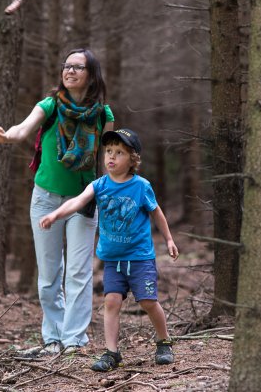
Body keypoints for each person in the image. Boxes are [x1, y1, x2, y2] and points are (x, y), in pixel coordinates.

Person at [0, 48, 114, 356]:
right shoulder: (50, 105)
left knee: (79, 272)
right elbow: (23, 129)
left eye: (77, 67)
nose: (70, 71)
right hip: (45, 200)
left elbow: (108, 158)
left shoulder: (102, 115)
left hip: (83, 199)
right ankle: (53, 338)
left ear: (91, 75)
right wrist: (6, 136)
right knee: (49, 274)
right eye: (66, 66)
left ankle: (74, 339)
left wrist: (113, 189)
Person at [39, 128, 179, 371]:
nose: (111, 156)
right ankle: (112, 353)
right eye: (108, 151)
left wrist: (168, 240)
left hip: (139, 258)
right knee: (112, 302)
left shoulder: (141, 186)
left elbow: (156, 212)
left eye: (119, 153)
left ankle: (164, 341)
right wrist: (55, 214)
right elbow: (78, 201)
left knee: (148, 301)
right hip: (113, 259)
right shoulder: (99, 185)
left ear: (132, 160)